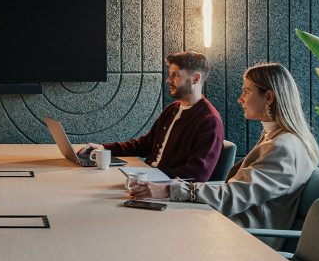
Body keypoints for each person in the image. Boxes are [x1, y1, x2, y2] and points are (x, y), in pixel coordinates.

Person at [129, 62, 319, 238]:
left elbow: (233, 196)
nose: (240, 99)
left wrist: (169, 189)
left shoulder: (282, 148)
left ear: (268, 97)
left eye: (246, 91)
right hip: (231, 223)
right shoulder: (279, 138)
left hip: (243, 236)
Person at [80, 51, 225, 181]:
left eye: (175, 75)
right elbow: (144, 145)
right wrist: (103, 148)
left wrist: (148, 176)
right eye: (170, 74)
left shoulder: (209, 121)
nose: (168, 80)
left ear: (195, 78)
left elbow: (197, 173)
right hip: (148, 180)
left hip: (163, 190)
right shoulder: (173, 109)